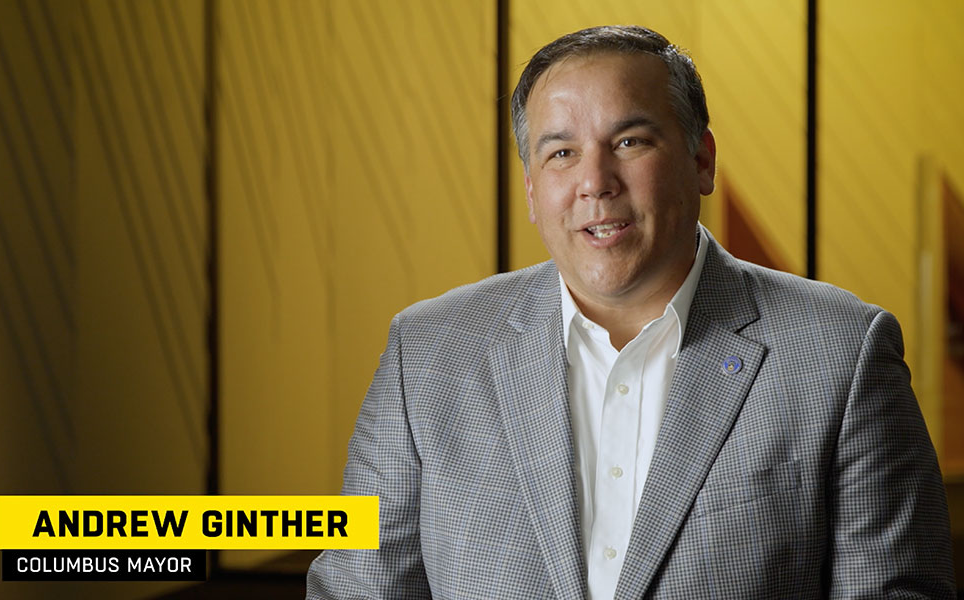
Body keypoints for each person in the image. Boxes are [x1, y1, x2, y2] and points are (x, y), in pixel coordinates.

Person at [306, 25, 955, 598]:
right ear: (532, 191)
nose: (595, 181)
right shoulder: (423, 356)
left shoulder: (841, 355)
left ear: (702, 159)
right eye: (561, 153)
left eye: (630, 141)